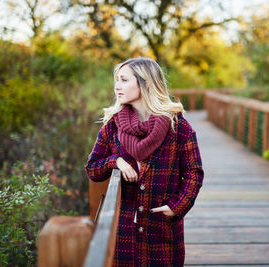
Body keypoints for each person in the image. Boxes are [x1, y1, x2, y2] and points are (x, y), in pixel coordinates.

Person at [85, 57, 204, 266]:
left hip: (162, 230)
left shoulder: (178, 127)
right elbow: (92, 169)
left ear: (146, 83)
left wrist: (176, 206)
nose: (117, 86)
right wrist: (116, 161)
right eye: (117, 80)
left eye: (124, 80)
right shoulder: (113, 126)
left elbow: (194, 173)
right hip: (123, 232)